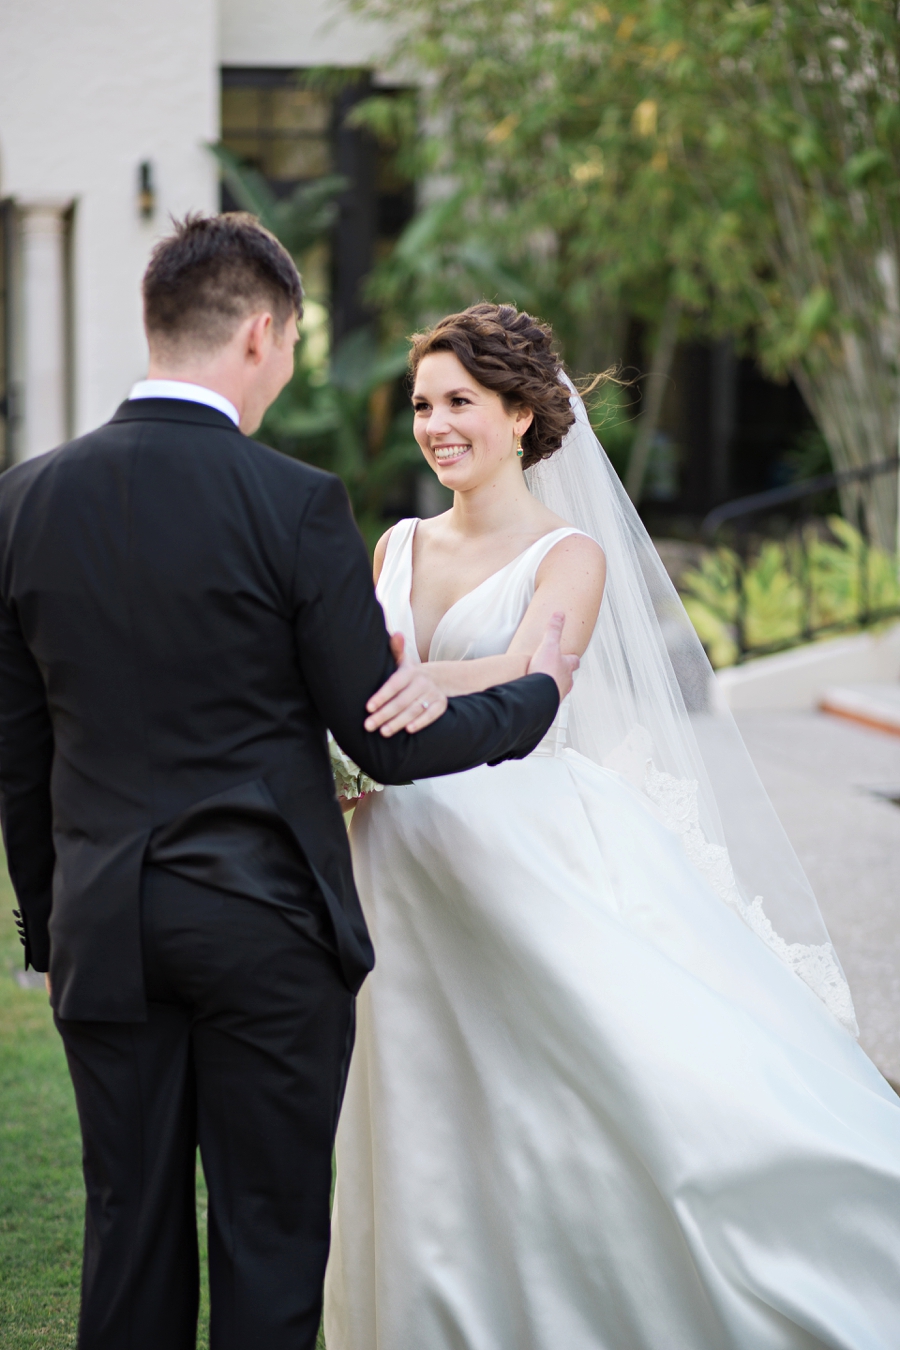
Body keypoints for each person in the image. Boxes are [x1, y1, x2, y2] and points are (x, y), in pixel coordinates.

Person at [0, 220, 576, 1350]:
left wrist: (48, 921)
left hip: (104, 927)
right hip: (266, 930)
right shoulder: (296, 503)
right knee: (269, 1237)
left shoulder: (23, 501)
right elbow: (387, 738)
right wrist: (537, 693)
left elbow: (21, 755)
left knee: (127, 1229)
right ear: (262, 334)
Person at [325, 303, 900, 1350]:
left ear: (519, 412)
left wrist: (399, 682)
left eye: (460, 401)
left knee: (594, 1083)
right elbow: (367, 686)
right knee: (431, 1107)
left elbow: (525, 679)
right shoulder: (395, 544)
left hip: (521, 848)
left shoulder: (570, 553)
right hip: (395, 860)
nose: (436, 423)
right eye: (422, 404)